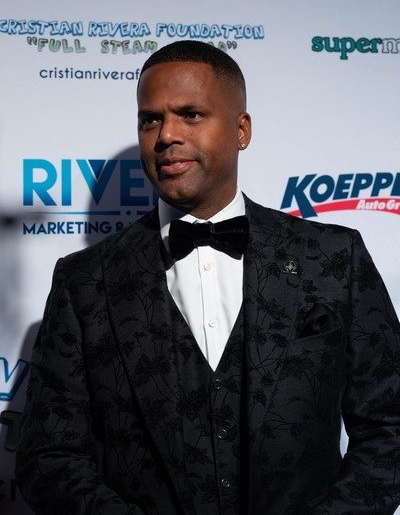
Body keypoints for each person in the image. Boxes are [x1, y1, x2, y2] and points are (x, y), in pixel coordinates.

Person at [16, 40, 400, 515]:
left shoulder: (334, 257)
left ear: (241, 130)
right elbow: (49, 459)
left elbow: (390, 428)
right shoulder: (83, 282)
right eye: (150, 120)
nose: (166, 135)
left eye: (191, 114)